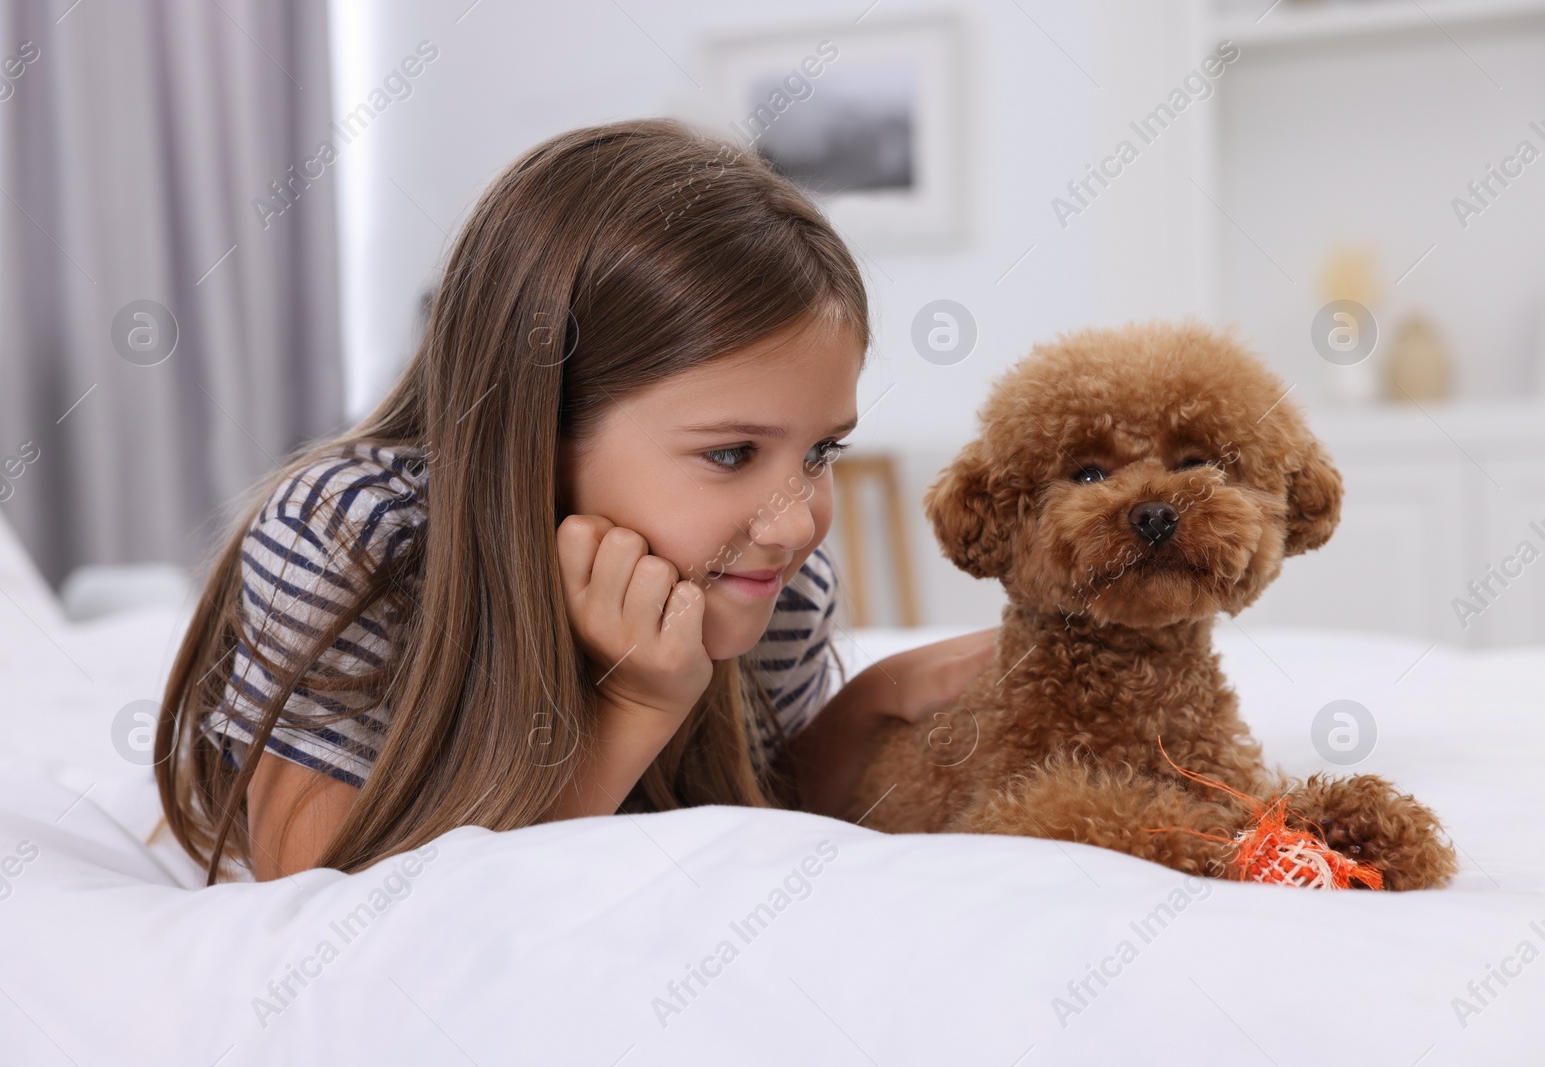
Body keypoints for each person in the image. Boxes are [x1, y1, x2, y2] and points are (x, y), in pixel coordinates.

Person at [154, 119, 995, 885]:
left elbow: (755, 812)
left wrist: (875, 701)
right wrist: (634, 708)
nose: (797, 521)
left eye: (820, 451)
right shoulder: (349, 534)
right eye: (731, 453)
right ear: (539, 425)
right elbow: (325, 905)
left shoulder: (772, 586)